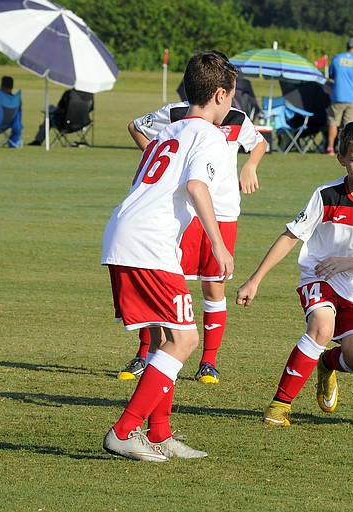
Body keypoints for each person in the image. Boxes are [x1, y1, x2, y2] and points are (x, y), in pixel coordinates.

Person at [101, 51, 238, 461]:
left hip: (125, 233)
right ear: (218, 94)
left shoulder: (167, 132)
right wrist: (218, 244)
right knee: (185, 338)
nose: (231, 106)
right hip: (150, 244)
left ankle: (158, 433)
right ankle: (124, 430)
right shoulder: (210, 136)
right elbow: (198, 187)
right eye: (231, 97)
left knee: (164, 337)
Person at [235, 121, 353, 427]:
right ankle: (279, 405)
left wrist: (350, 262)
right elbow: (290, 236)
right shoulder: (326, 195)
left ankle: (326, 363)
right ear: (341, 158)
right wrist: (254, 279)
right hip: (319, 276)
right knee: (322, 327)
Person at [116, 94, 268, 384]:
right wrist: (156, 160)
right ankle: (145, 353)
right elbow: (136, 126)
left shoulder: (236, 118)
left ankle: (208, 362)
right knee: (165, 285)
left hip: (221, 213)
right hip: (181, 211)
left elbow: (259, 142)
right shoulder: (176, 114)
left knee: (214, 286)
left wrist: (250, 165)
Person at [325, 37, 353, 155]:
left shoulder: (337, 58)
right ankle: (348, 150)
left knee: (333, 122)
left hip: (337, 96)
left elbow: (331, 75)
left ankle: (330, 148)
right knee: (350, 126)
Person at [30, 88, 94, 146]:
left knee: (50, 110)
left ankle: (38, 140)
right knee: (50, 113)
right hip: (83, 123)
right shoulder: (90, 95)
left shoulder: (69, 93)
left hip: (65, 124)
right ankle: (39, 138)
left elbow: (60, 108)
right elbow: (91, 109)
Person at [0, 76, 22, 148]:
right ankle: (14, 142)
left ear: (1, 85)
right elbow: (18, 118)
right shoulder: (16, 100)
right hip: (7, 125)